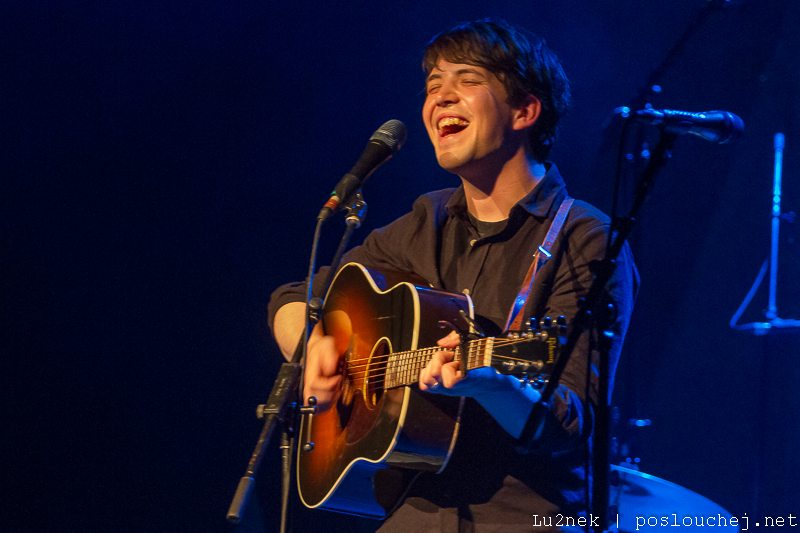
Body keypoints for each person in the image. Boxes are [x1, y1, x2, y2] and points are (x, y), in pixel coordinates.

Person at [268, 19, 638, 532]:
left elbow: (572, 422)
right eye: (431, 87)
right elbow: (295, 295)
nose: (439, 98)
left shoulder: (585, 237)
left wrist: (489, 384)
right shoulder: (426, 221)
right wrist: (313, 350)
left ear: (526, 110)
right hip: (409, 512)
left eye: (465, 80)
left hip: (523, 517)